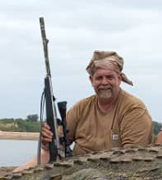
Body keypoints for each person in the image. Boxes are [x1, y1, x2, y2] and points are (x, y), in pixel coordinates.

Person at [14, 50, 153, 171]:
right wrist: (47, 140)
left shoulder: (134, 110)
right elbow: (58, 145)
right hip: (76, 171)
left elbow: (131, 161)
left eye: (110, 77)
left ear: (120, 79)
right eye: (99, 78)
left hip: (111, 175)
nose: (104, 82)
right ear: (91, 80)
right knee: (44, 156)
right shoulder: (81, 107)